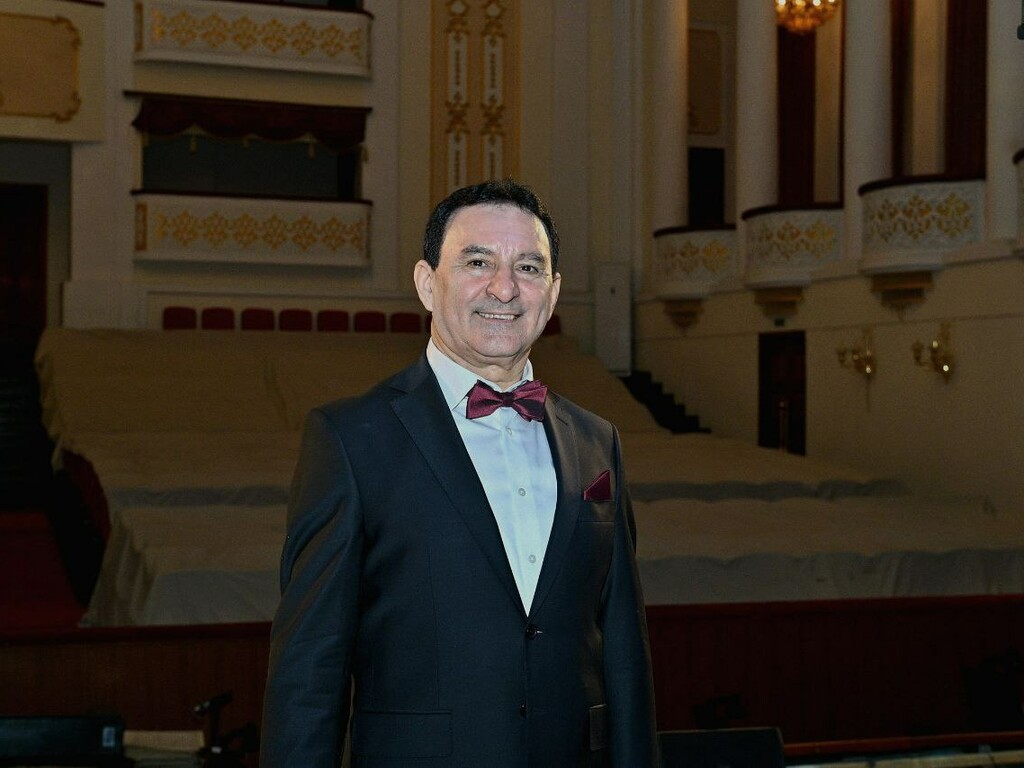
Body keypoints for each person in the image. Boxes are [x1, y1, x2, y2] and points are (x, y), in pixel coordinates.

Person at [261, 179, 658, 767]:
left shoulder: (598, 442)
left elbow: (625, 652)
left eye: (528, 267)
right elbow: (309, 668)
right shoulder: (350, 438)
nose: (505, 287)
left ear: (552, 293)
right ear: (428, 283)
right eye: (478, 262)